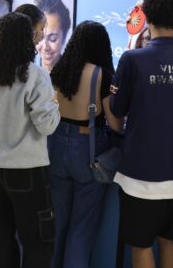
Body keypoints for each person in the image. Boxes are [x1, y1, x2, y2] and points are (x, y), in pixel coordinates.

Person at [109, 0, 173, 268]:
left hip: (140, 173)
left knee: (140, 245)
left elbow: (117, 110)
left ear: (147, 16)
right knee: (169, 240)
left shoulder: (133, 59)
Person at [0, 12, 61, 268]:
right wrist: (55, 105)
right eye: (37, 31)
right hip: (27, 171)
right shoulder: (34, 75)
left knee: (0, 239)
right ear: (27, 38)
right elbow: (48, 125)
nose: (41, 35)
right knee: (37, 241)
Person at [48, 21, 122, 268]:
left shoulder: (60, 69)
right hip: (87, 148)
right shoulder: (101, 74)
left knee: (57, 219)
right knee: (82, 226)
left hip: (56, 144)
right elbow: (114, 124)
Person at [34, 0, 71, 73]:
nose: (45, 46)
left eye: (53, 38)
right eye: (40, 37)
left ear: (64, 38)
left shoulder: (75, 77)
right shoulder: (27, 75)